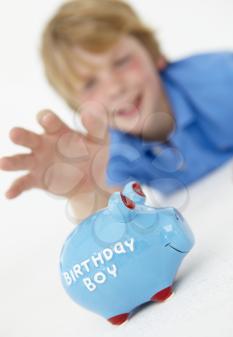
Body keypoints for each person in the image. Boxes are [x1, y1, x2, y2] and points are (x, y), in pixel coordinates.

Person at [0, 0, 233, 221]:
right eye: (90, 83)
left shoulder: (220, 80)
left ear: (154, 56)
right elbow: (116, 227)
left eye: (121, 61)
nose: (114, 88)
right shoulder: (109, 151)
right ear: (81, 108)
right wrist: (86, 193)